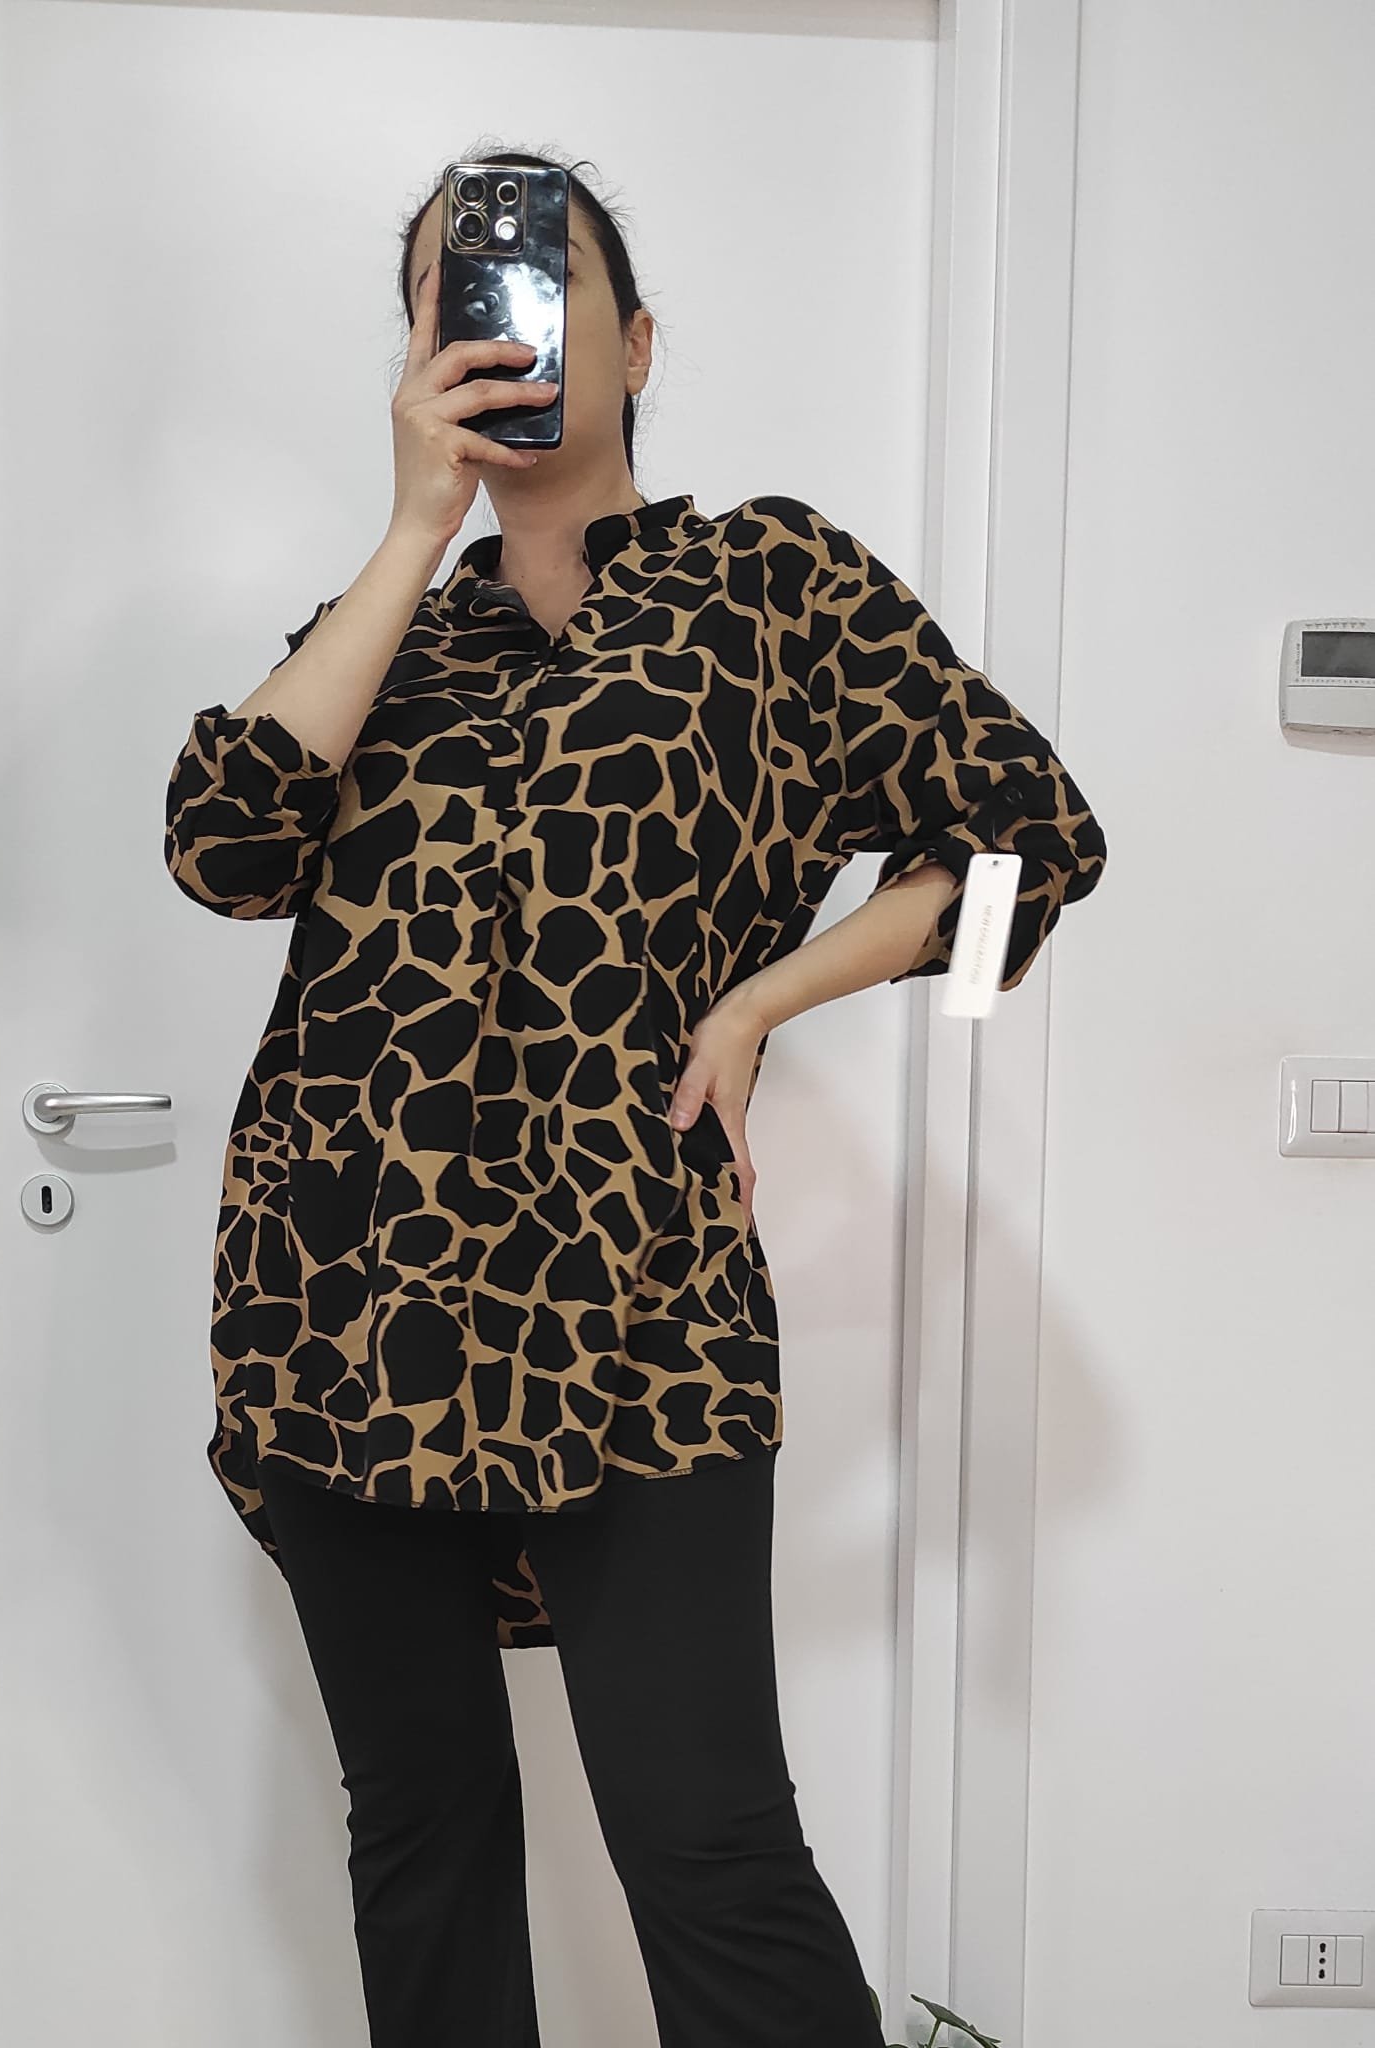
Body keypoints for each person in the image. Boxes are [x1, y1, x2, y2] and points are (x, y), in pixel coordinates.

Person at [162, 147, 1107, 2048]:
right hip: (341, 1297)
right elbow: (223, 849)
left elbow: (1032, 847)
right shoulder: (381, 632)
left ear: (640, 340)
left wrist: (767, 995)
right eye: (446, 302)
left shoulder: (768, 583)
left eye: (542, 286)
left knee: (708, 1843)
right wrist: (413, 526)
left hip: (640, 1303)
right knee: (422, 1830)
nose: (497, 329)